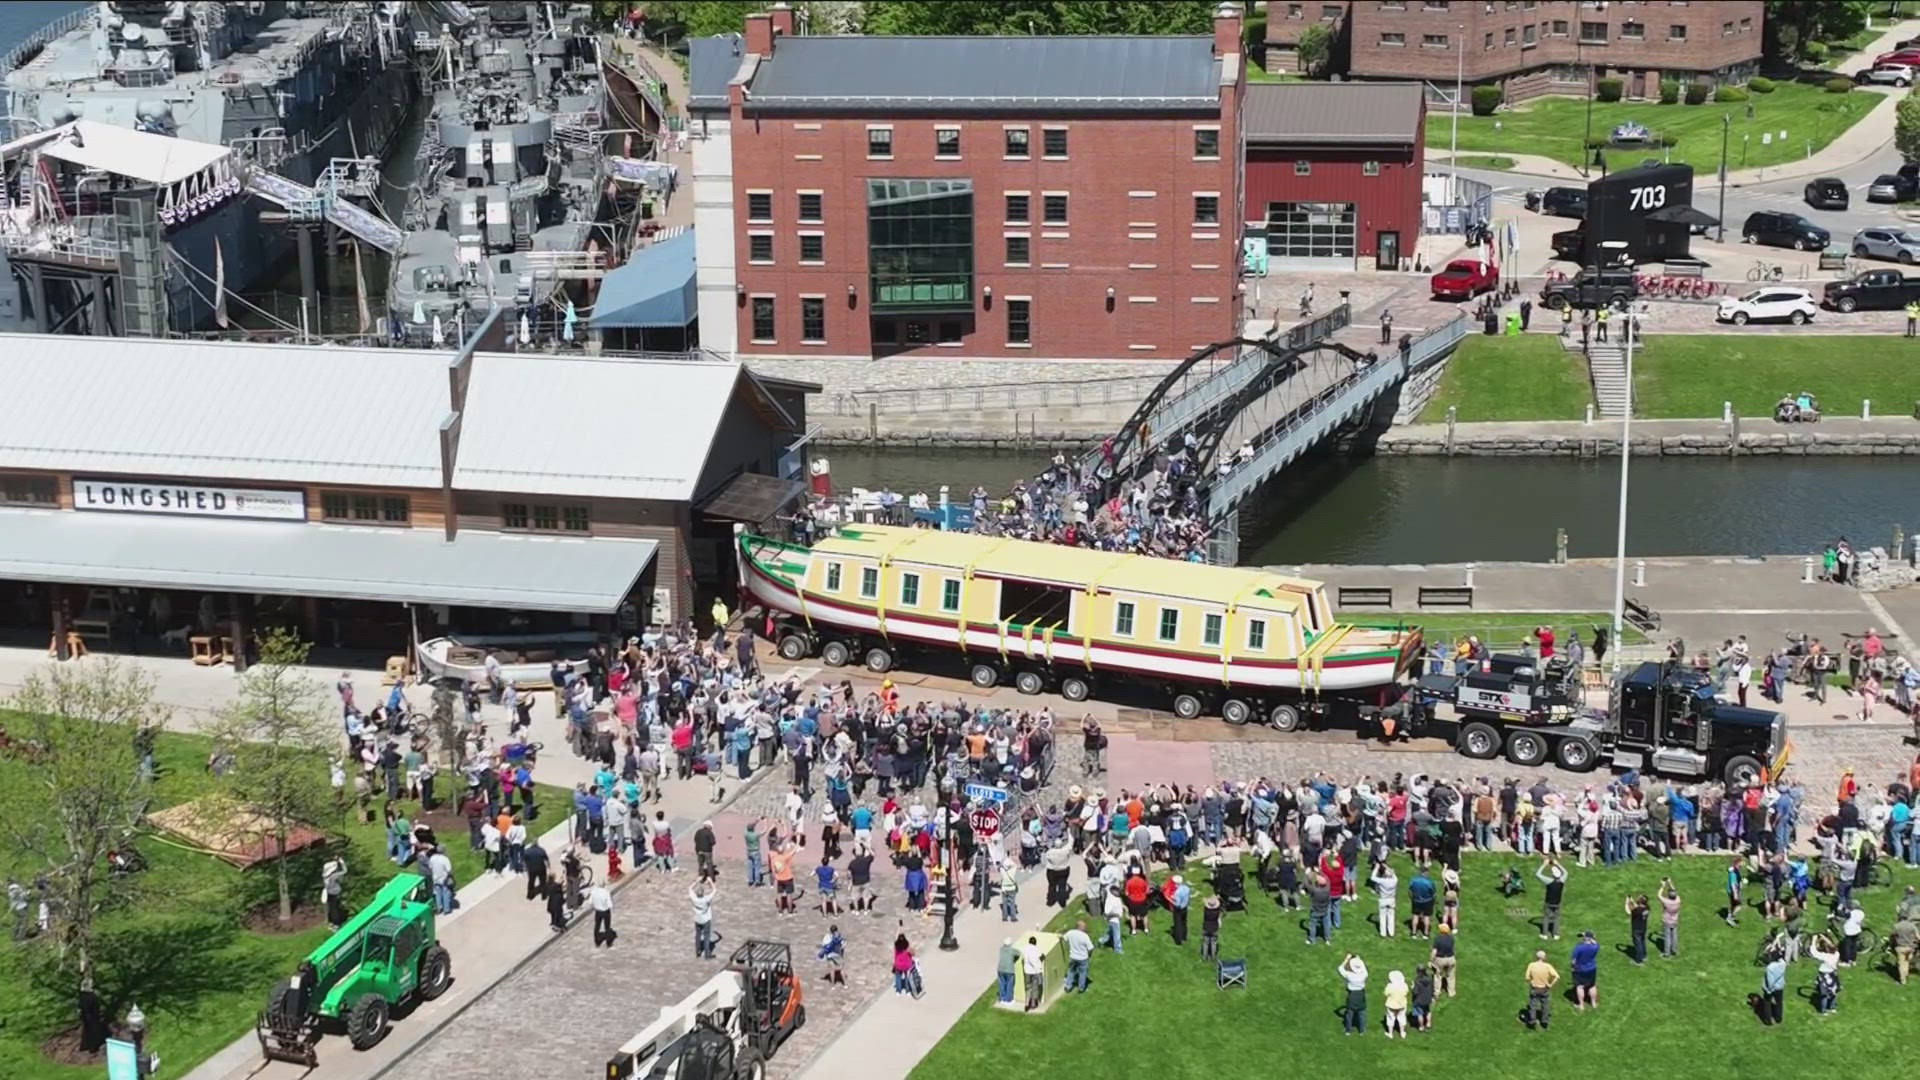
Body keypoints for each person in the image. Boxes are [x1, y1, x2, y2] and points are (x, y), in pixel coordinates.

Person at [1522, 950, 1559, 1030]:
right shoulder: (1547, 966)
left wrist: (1532, 981)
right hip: (1544, 988)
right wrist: (1550, 985)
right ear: (1544, 957)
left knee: (1533, 1005)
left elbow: (1527, 977)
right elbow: (1556, 977)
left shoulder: (1531, 965)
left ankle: (1532, 1021)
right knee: (1545, 1005)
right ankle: (1544, 1022)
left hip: (1535, 987)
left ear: (1536, 957)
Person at [1339, 953, 1369, 1036]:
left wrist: (1346, 959)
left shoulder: (1349, 975)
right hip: (1361, 994)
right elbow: (1363, 967)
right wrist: (1359, 960)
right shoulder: (1364, 975)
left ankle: (1348, 1030)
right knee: (1362, 1013)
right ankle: (1362, 1030)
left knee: (1349, 1014)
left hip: (1352, 995)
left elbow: (1340, 968)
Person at [1536, 857, 1566, 940]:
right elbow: (1566, 872)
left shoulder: (1549, 881)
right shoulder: (1562, 880)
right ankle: (1556, 934)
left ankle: (1545, 934)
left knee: (1546, 918)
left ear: (1553, 875)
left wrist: (1544, 865)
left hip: (1548, 902)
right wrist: (1558, 864)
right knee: (1556, 918)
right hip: (1557, 903)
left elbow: (1538, 874)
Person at [1570, 929, 1600, 1011]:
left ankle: (1581, 1005)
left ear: (1585, 938)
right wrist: (1592, 937)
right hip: (1592, 968)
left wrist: (1572, 967)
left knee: (1580, 987)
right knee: (1592, 985)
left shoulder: (1579, 948)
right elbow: (1595, 942)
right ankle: (1593, 1003)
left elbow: (1573, 961)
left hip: (1581, 969)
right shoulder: (1596, 947)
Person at [1063, 919, 1094, 993]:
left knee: (1071, 971)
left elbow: (1064, 938)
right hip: (1083, 958)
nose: (1085, 928)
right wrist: (1089, 955)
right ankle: (1081, 988)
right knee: (1083, 973)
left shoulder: (1071, 933)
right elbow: (1091, 948)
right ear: (1080, 927)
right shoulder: (1084, 936)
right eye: (1084, 927)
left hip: (1073, 957)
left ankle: (1068, 986)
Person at [691, 878, 718, 958]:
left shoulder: (694, 898)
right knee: (706, 937)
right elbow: (714, 891)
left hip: (697, 919)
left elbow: (689, 888)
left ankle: (698, 951)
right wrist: (710, 881)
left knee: (698, 935)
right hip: (705, 920)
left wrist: (696, 881)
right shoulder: (706, 899)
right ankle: (707, 954)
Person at [1371, 859, 1399, 938]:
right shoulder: (1395, 880)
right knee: (1391, 916)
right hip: (1391, 899)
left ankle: (1383, 933)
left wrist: (1376, 868)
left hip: (1383, 899)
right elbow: (1393, 873)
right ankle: (1391, 932)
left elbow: (1372, 877)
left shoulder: (1382, 881)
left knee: (1382, 916)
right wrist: (1386, 866)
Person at [1019, 934, 1047, 1011]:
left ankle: (1026, 1004)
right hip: (1035, 972)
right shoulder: (1036, 949)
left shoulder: (1025, 948)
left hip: (1027, 971)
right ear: (1035, 943)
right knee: (1035, 988)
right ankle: (1033, 1004)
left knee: (1028, 988)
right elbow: (1039, 957)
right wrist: (1043, 957)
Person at [1759, 951, 1787, 1025]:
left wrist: (1769, 990)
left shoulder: (1770, 968)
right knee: (1779, 1002)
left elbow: (1770, 981)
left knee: (1767, 1003)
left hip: (1771, 988)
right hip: (1780, 987)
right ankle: (1778, 1018)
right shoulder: (1783, 964)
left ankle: (1768, 1020)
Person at [1658, 877, 1682, 957]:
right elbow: (1674, 891)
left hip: (1667, 921)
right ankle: (1674, 950)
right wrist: (1670, 883)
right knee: (1674, 936)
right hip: (1675, 921)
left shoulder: (1666, 901)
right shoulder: (1678, 900)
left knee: (1667, 937)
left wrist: (1663, 886)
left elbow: (1659, 895)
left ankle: (1667, 953)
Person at [321, 855, 347, 928]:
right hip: (335, 893)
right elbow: (345, 871)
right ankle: (337, 923)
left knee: (332, 907)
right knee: (335, 908)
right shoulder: (334, 876)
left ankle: (332, 921)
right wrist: (342, 862)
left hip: (329, 893)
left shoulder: (325, 877)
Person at [1624, 893, 1650, 965]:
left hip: (1636, 929)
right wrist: (1632, 901)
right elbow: (1637, 906)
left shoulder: (1637, 911)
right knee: (1642, 942)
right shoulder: (1647, 908)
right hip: (1643, 928)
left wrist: (1627, 903)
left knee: (1638, 944)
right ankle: (1644, 956)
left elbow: (1628, 912)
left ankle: (1639, 959)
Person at [589, 879, 615, 947]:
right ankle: (608, 942)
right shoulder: (606, 892)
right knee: (607, 926)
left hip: (598, 911)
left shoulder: (593, 892)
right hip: (605, 911)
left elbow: (590, 902)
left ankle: (597, 941)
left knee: (597, 926)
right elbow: (610, 904)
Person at [996, 938, 1018, 1004]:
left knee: (1002, 984)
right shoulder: (1012, 950)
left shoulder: (1001, 949)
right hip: (1009, 970)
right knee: (1009, 984)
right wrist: (1014, 960)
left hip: (1000, 969)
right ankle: (1008, 999)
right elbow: (1018, 954)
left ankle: (1002, 998)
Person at [1201, 892, 1222, 960]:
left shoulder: (1206, 910)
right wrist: (1216, 898)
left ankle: (1204, 957)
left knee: (1205, 943)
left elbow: (1205, 902)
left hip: (1206, 927)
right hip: (1214, 928)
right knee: (1213, 943)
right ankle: (1213, 957)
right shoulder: (1217, 911)